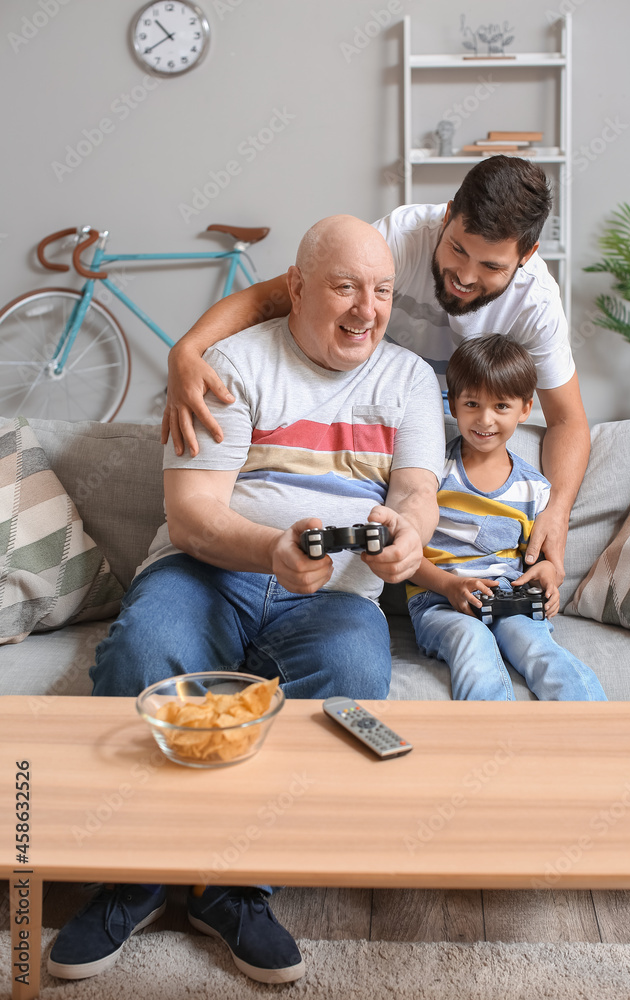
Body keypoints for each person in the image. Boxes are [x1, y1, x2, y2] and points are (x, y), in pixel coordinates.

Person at [46, 215, 445, 985]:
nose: (366, 309)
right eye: (344, 288)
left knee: (352, 672)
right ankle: (134, 871)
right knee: (143, 651)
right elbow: (194, 515)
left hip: (332, 597)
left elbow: (417, 491)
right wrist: (268, 550)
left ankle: (233, 885)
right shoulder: (227, 363)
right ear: (294, 288)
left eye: (382, 291)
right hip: (210, 571)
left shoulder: (409, 380)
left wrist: (407, 533)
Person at [161, 156, 589, 584]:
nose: (464, 275)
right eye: (457, 248)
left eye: (491, 267)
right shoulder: (401, 238)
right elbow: (275, 298)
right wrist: (188, 349)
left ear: (527, 255)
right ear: (447, 215)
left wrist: (558, 510)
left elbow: (568, 419)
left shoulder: (537, 303)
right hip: (374, 414)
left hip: (450, 428)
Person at [407, 335, 606, 702]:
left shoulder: (534, 488)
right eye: (472, 404)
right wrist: (450, 587)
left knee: (539, 649)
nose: (485, 419)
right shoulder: (432, 473)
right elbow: (406, 556)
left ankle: (596, 735)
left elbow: (544, 561)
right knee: (472, 640)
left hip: (510, 597)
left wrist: (548, 576)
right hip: (438, 599)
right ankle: (494, 747)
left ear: (525, 408)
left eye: (501, 406)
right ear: (452, 404)